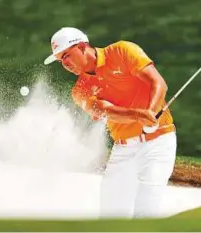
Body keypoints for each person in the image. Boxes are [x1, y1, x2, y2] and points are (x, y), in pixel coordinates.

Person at [43, 27, 177, 218]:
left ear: (81, 47)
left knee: (145, 213)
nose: (64, 63)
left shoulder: (123, 51)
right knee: (109, 217)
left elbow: (158, 83)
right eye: (60, 60)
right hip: (123, 150)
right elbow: (104, 110)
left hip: (158, 143)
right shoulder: (79, 90)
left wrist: (152, 111)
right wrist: (138, 116)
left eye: (66, 55)